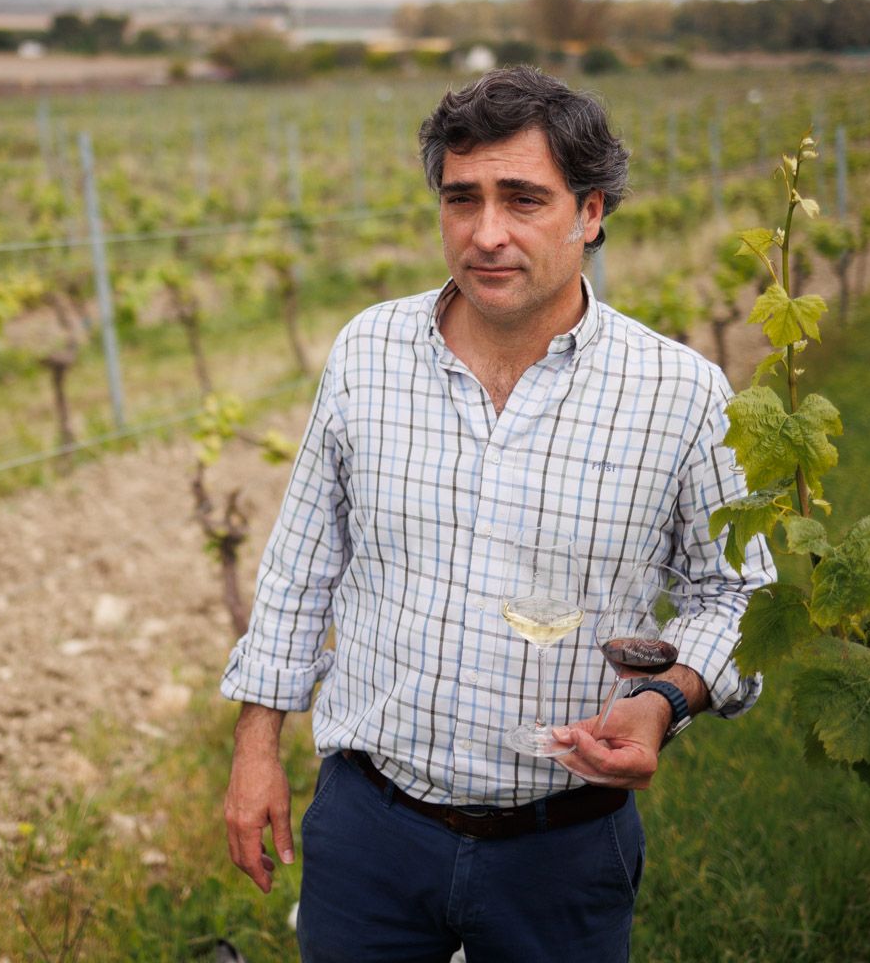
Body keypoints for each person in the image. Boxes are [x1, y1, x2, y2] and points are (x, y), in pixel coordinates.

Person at [219, 66, 775, 962]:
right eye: (461, 199)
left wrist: (668, 701)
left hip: (562, 849)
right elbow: (299, 567)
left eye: (523, 200)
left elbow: (742, 595)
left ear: (590, 213)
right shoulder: (369, 353)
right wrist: (255, 748)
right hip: (369, 829)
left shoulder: (680, 394)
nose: (487, 234)